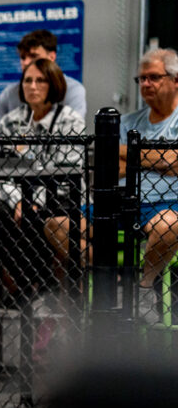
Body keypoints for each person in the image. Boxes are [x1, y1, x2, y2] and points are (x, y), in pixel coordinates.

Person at [46, 48, 178, 323]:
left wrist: (128, 155)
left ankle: (143, 289)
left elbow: (175, 162)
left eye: (154, 77)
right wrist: (157, 160)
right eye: (141, 79)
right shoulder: (127, 122)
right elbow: (109, 168)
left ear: (175, 80)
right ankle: (113, 277)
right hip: (119, 204)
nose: (146, 84)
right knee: (56, 226)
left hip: (167, 205)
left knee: (170, 224)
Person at [0, 59, 85, 307]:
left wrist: (30, 200)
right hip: (17, 194)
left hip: (58, 196)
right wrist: (20, 199)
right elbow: (3, 170)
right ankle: (35, 284)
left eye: (40, 80)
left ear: (54, 84)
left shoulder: (70, 120)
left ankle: (41, 287)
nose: (33, 86)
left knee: (36, 219)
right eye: (28, 80)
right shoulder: (11, 121)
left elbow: (67, 173)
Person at [0, 29, 87, 132]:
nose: (26, 62)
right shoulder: (10, 95)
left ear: (51, 57)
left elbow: (72, 131)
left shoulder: (73, 92)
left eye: (33, 56)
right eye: (23, 57)